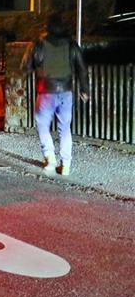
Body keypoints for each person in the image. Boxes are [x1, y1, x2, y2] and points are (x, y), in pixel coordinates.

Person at [22, 12, 89, 175]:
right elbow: (82, 68)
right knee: (65, 128)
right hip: (66, 92)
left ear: (47, 27)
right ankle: (65, 165)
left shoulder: (38, 44)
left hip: (46, 91)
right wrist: (84, 89)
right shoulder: (71, 44)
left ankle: (49, 157)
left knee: (42, 124)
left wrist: (32, 70)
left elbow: (26, 67)